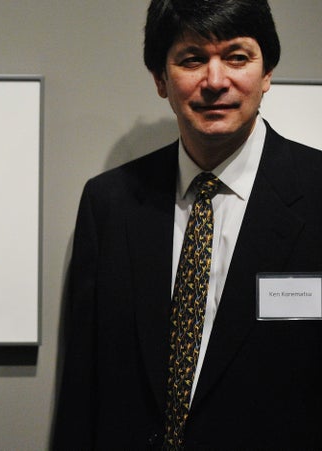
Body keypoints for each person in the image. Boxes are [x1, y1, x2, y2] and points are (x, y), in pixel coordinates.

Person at [54, 0, 322, 448]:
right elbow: (84, 385)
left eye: (237, 57)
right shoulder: (109, 204)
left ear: (267, 72)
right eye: (192, 59)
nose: (216, 81)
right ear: (161, 79)